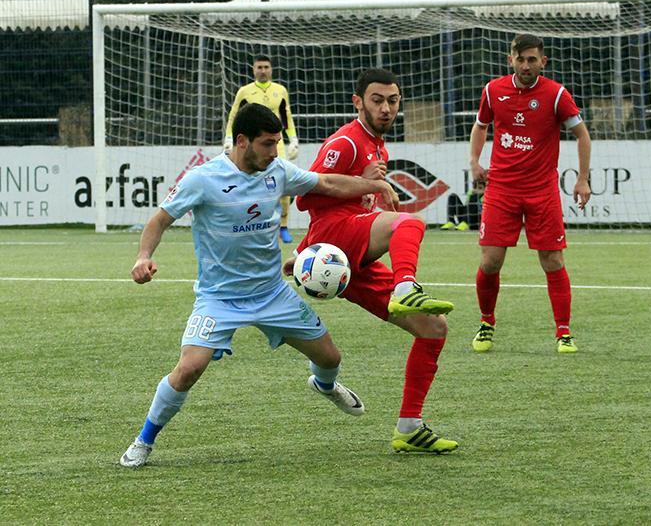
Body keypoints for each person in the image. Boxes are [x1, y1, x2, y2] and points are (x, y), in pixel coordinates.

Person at [120, 103, 399, 468]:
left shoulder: (278, 171)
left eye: (277, 143)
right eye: (267, 144)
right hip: (219, 299)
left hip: (272, 293)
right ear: (242, 141)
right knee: (188, 369)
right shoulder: (203, 179)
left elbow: (328, 183)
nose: (274, 152)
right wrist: (143, 257)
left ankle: (325, 385)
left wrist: (374, 184)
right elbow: (159, 219)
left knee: (331, 359)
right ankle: (143, 440)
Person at [284, 68, 458, 454]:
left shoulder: (379, 147)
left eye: (392, 101)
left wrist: (301, 251)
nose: (386, 108)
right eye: (377, 100)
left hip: (350, 260)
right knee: (409, 223)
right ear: (358, 102)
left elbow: (352, 200)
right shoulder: (346, 141)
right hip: (337, 236)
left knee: (434, 328)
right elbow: (306, 196)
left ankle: (409, 427)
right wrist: (370, 182)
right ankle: (406, 286)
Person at [468, 33, 591, 354]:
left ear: (543, 62)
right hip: (501, 190)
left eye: (532, 59)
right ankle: (486, 322)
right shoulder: (493, 91)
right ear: (510, 60)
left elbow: (582, 135)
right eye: (520, 59)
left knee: (552, 260)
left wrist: (582, 179)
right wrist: (475, 161)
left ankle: (563, 332)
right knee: (490, 261)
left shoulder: (556, 94)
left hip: (542, 191)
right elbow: (481, 125)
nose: (525, 65)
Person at [225, 54, 299, 244]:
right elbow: (234, 116)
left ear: (271, 69)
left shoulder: (280, 90)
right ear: (253, 70)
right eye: (259, 67)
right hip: (252, 144)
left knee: (282, 182)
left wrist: (293, 139)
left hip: (276, 143)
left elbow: (286, 116)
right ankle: (252, 224)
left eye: (266, 67)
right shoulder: (244, 92)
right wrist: (229, 138)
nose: (263, 71)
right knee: (250, 183)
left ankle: (283, 226)